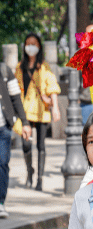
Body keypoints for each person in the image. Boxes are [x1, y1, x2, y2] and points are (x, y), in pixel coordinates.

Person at [16, 33, 61, 191]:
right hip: (25, 111)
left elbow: (52, 86)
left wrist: (55, 107)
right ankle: (30, 172)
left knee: (41, 145)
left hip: (41, 109)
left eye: (34, 44)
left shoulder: (44, 66)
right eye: (28, 44)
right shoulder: (20, 67)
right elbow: (15, 89)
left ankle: (40, 179)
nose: (31, 47)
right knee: (25, 144)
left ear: (39, 46)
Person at [0, 60, 31, 218]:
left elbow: (15, 97)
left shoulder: (4, 70)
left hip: (3, 127)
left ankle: (0, 202)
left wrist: (24, 122)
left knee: (2, 163)